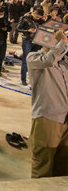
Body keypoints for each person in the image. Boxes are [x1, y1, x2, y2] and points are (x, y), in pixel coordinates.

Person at [27, 30, 68, 178]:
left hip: (65, 118)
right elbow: (48, 60)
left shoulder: (63, 63)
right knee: (43, 165)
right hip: (47, 118)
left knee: (63, 166)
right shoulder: (33, 58)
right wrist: (61, 43)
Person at [17, 9, 45, 86]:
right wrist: (28, 30)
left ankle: (34, 79)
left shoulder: (40, 20)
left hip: (37, 41)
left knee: (36, 60)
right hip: (27, 40)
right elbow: (18, 28)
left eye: (39, 17)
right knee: (26, 59)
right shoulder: (24, 18)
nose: (37, 18)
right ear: (33, 13)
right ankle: (23, 79)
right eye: (37, 16)